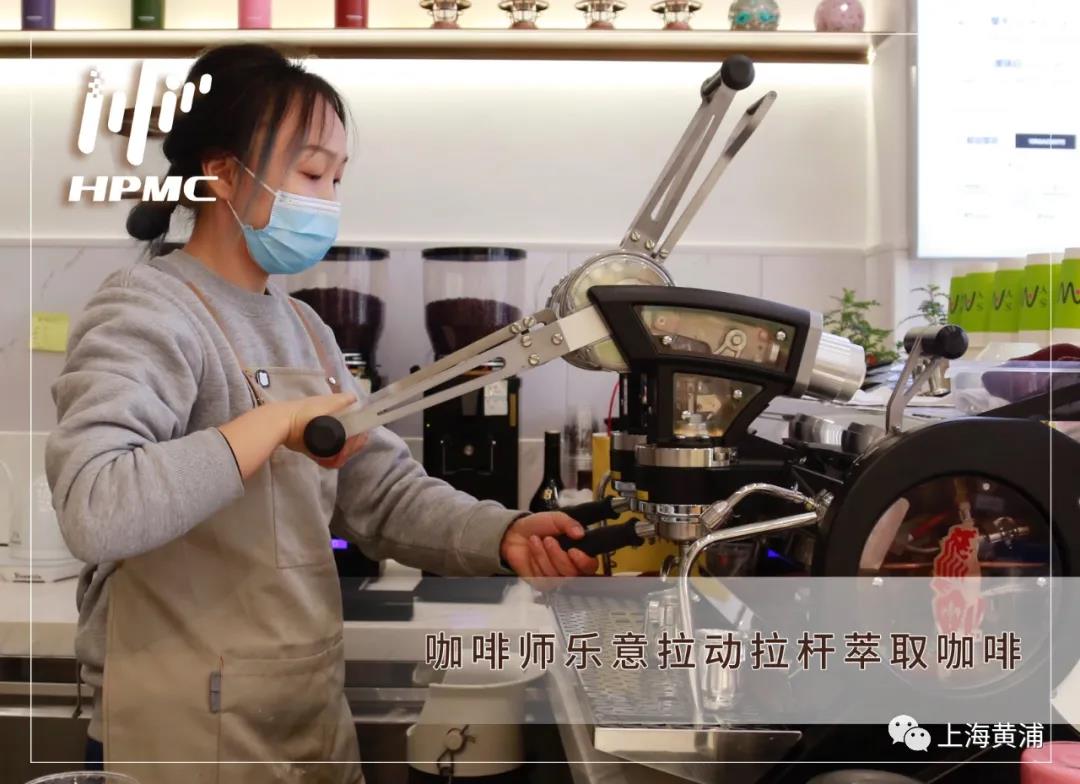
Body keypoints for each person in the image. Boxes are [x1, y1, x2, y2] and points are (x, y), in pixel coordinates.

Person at [46, 43, 597, 783]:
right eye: (310, 173)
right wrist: (271, 424)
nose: (327, 198)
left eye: (337, 178)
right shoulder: (147, 309)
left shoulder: (307, 328)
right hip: (179, 736)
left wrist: (502, 534)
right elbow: (97, 507)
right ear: (223, 173)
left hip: (303, 720)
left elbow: (382, 494)